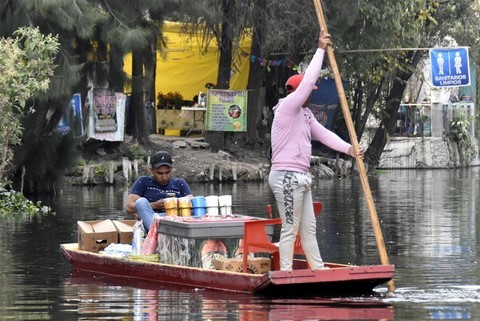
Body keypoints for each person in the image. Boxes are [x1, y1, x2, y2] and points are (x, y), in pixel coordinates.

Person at [268, 29, 365, 271]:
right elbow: (309, 81)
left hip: (301, 177)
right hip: (286, 177)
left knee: (308, 228)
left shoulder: (306, 115)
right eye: (308, 93)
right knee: (290, 227)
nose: (310, 96)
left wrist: (350, 150)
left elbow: (325, 135)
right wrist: (320, 48)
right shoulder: (287, 107)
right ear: (297, 94)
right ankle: (286, 273)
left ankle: (319, 271)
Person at [125, 150, 193, 231]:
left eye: (167, 172)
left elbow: (192, 203)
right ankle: (155, 233)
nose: (164, 177)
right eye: (160, 173)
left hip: (176, 221)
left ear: (171, 169)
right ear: (151, 170)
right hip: (152, 218)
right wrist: (154, 205)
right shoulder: (143, 181)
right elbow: (129, 207)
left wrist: (175, 204)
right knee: (141, 202)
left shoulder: (179, 183)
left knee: (194, 201)